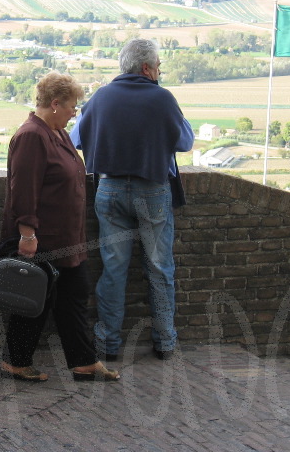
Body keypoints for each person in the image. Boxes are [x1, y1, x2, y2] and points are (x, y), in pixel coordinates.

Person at [72, 38, 194, 362]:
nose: (159, 72)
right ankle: (165, 342)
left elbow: (75, 138)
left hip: (109, 189)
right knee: (158, 268)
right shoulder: (162, 98)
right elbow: (185, 141)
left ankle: (107, 344)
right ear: (146, 68)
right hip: (152, 190)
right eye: (158, 67)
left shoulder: (100, 97)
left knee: (114, 268)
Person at [0, 72, 119, 382]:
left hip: (67, 238)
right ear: (54, 104)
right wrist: (27, 234)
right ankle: (16, 362)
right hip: (43, 239)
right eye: (71, 108)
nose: (74, 113)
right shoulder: (32, 136)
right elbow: (24, 189)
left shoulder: (58, 133)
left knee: (73, 298)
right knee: (35, 302)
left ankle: (83, 362)